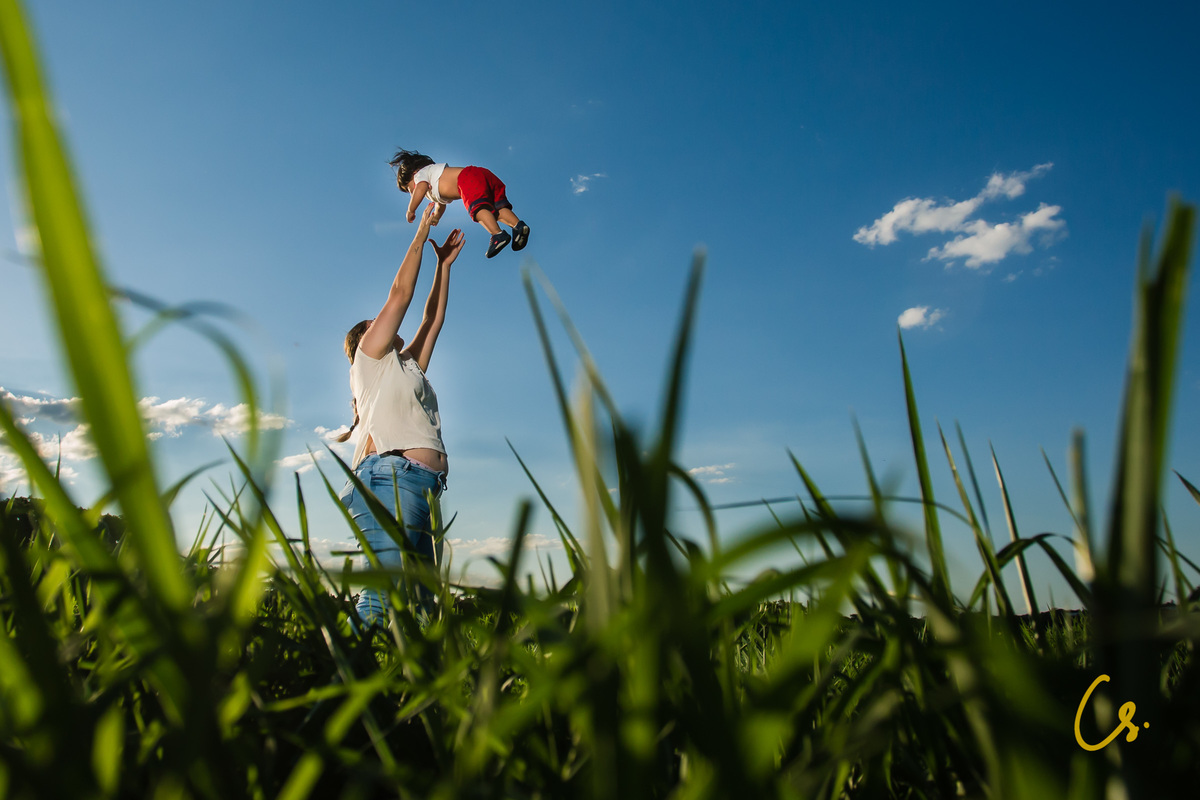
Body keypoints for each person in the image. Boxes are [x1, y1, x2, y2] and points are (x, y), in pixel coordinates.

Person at [336, 203, 465, 628]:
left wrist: (442, 266)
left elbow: (432, 320)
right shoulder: (369, 360)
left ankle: (406, 685)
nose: (385, 321)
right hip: (390, 479)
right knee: (384, 597)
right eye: (375, 323)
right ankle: (339, 678)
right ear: (366, 338)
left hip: (418, 486)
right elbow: (401, 296)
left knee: (422, 607)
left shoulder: (406, 366)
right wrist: (422, 228)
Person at [391, 148, 530, 259]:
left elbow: (420, 188)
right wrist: (437, 217)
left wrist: (411, 209)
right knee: (496, 209)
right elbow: (440, 205)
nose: (412, 193)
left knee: (478, 209)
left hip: (467, 178)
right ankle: (518, 226)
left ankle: (497, 234)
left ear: (414, 172)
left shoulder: (421, 175)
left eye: (410, 189)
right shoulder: (434, 182)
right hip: (480, 174)